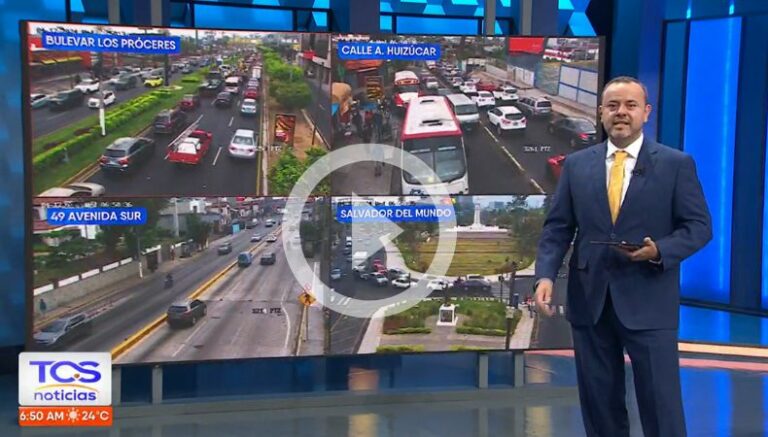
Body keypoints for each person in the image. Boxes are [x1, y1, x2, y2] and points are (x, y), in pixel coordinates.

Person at [533, 76, 712, 437]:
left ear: (646, 112)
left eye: (631, 105)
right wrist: (545, 275)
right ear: (601, 113)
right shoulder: (576, 165)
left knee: (661, 406)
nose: (621, 112)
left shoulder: (676, 164)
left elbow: (698, 227)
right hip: (590, 301)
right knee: (600, 405)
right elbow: (558, 228)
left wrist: (660, 250)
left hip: (649, 300)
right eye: (613, 106)